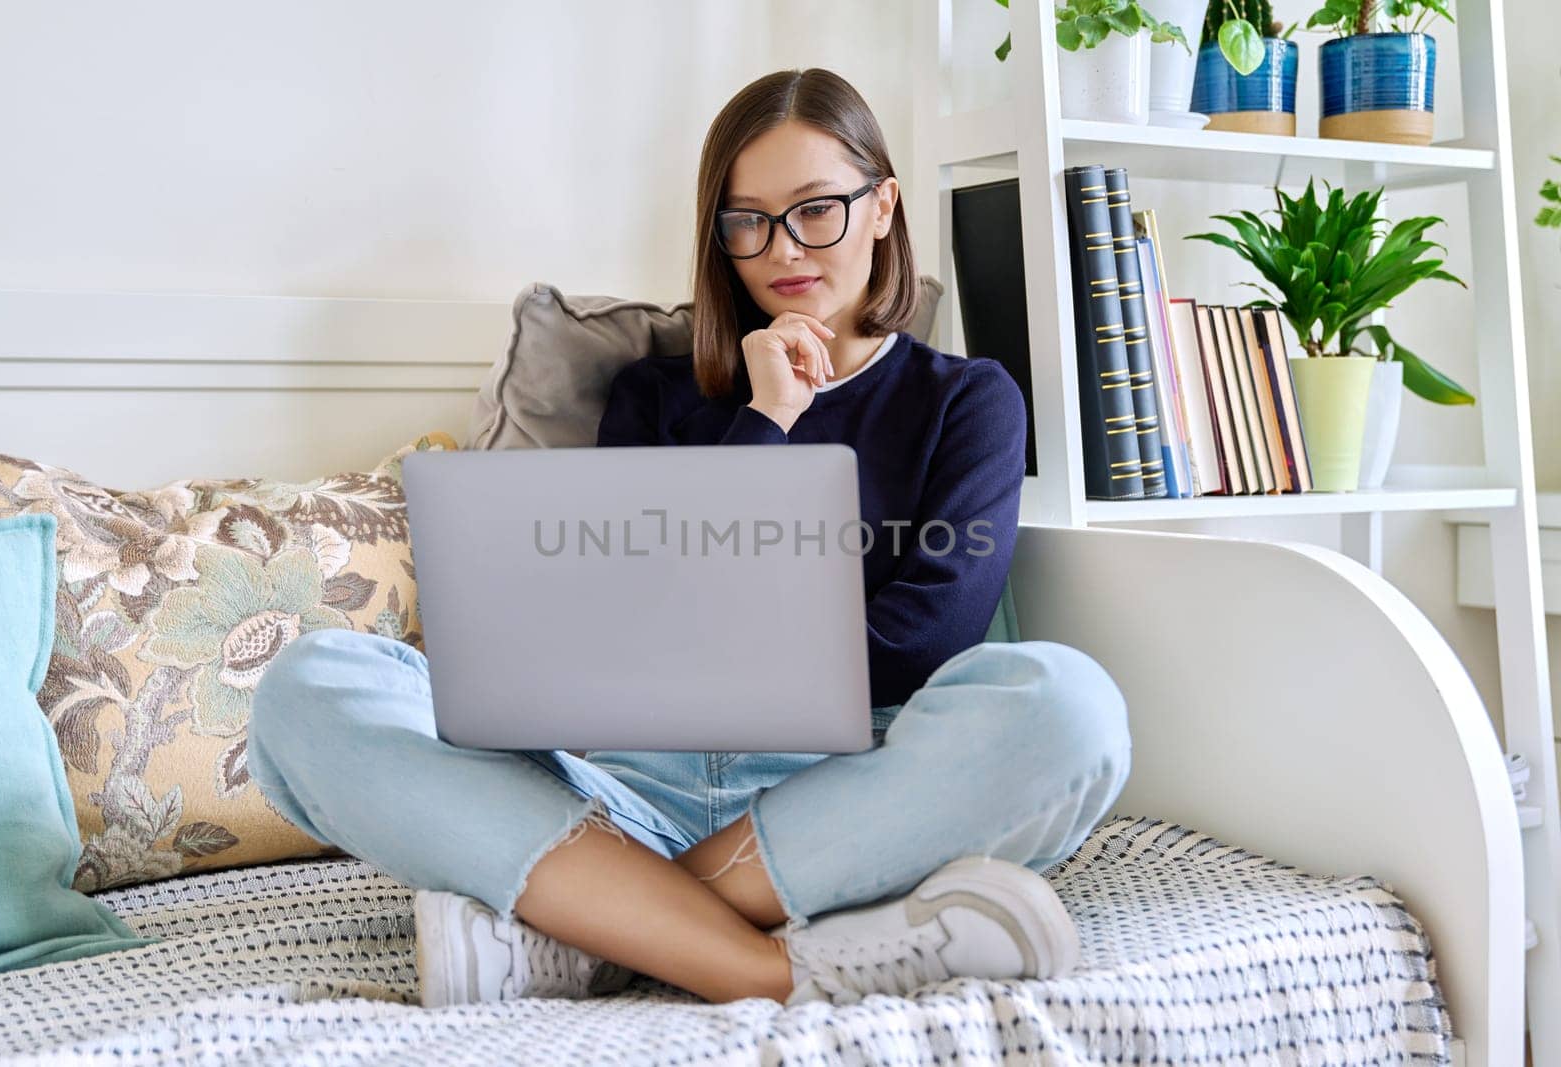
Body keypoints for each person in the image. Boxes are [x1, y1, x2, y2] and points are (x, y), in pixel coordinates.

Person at [246, 68, 1131, 1011]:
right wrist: (766, 420)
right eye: (746, 221)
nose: (781, 249)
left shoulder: (968, 400)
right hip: (617, 795)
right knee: (310, 690)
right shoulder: (654, 395)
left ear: (884, 208)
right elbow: (628, 623)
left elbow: (927, 636)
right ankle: (765, 962)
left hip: (843, 795)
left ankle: (597, 932)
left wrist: (706, 650)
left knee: (1071, 709)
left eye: (815, 210)